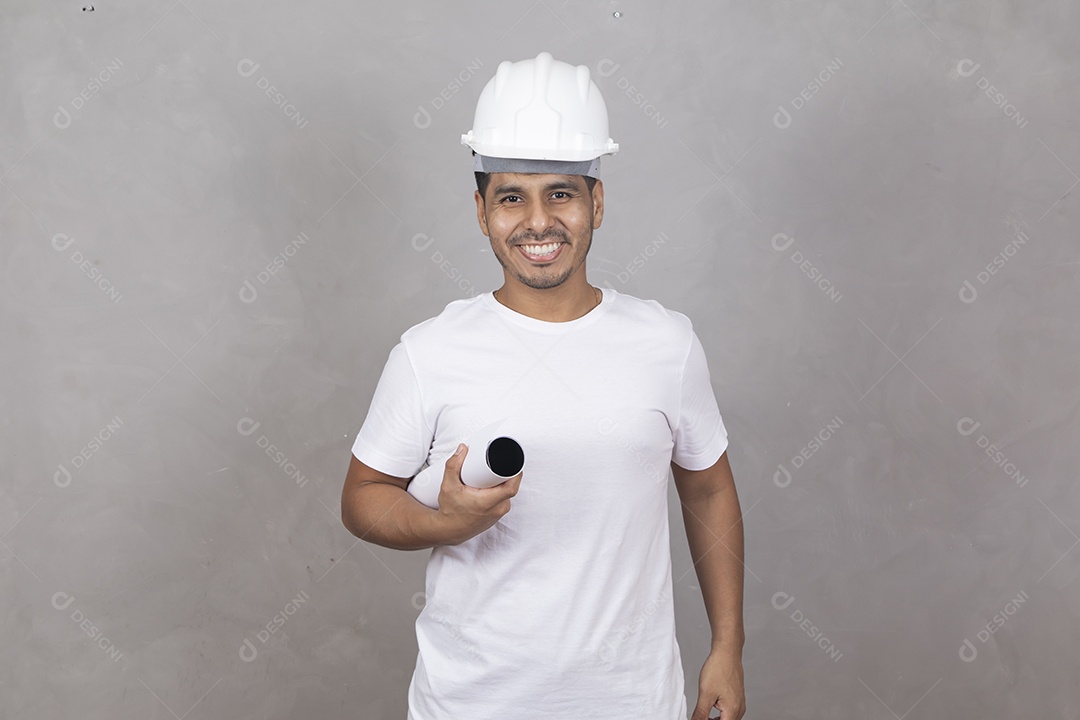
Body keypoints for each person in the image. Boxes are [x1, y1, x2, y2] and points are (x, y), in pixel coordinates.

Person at [341, 51, 746, 720]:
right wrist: (442, 521)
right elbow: (362, 500)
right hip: (471, 705)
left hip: (633, 703)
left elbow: (706, 484)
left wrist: (727, 646)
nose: (537, 221)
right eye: (511, 197)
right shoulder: (429, 353)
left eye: (560, 191)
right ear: (481, 211)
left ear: (597, 201)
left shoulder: (665, 344)